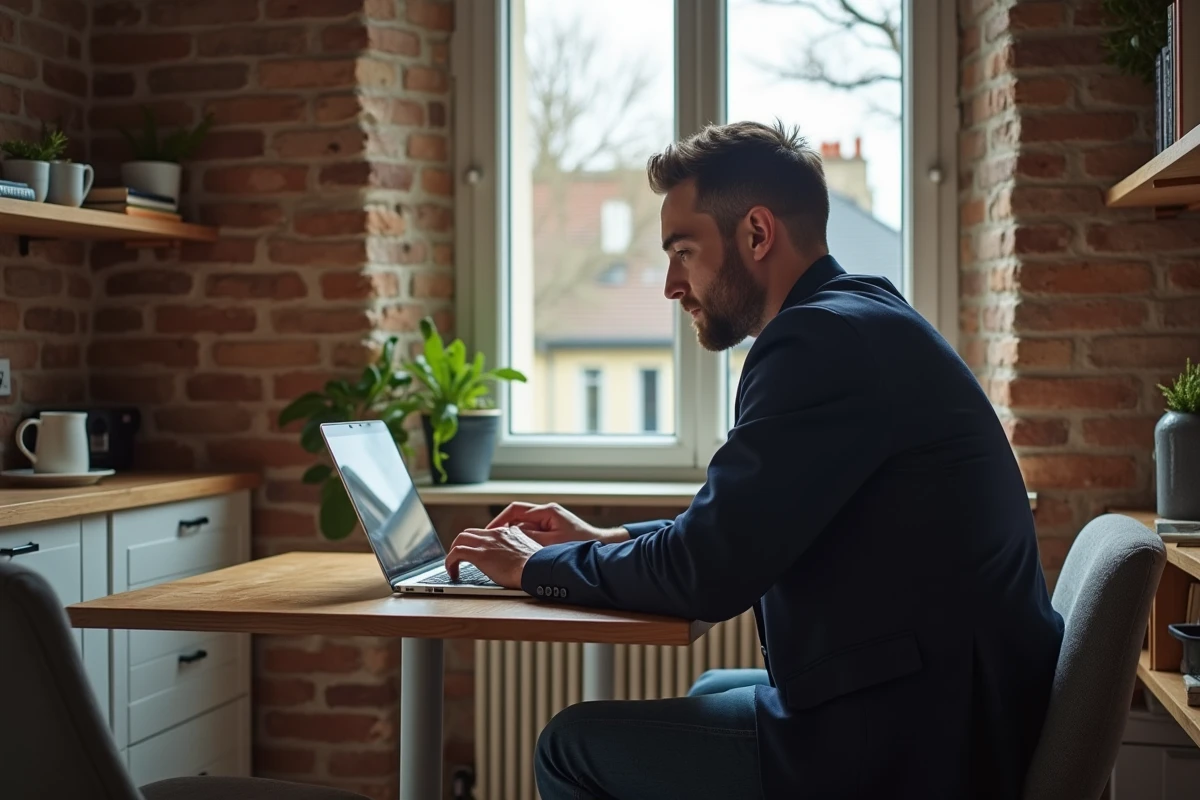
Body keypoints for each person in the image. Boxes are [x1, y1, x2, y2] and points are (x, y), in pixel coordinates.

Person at [445, 121, 1064, 799]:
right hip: (950, 701)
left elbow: (707, 571)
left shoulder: (817, 344)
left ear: (757, 234)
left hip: (924, 743)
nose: (671, 284)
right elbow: (741, 528)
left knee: (570, 746)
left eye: (683, 250)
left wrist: (535, 567)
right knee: (713, 687)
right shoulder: (859, 313)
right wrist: (607, 538)